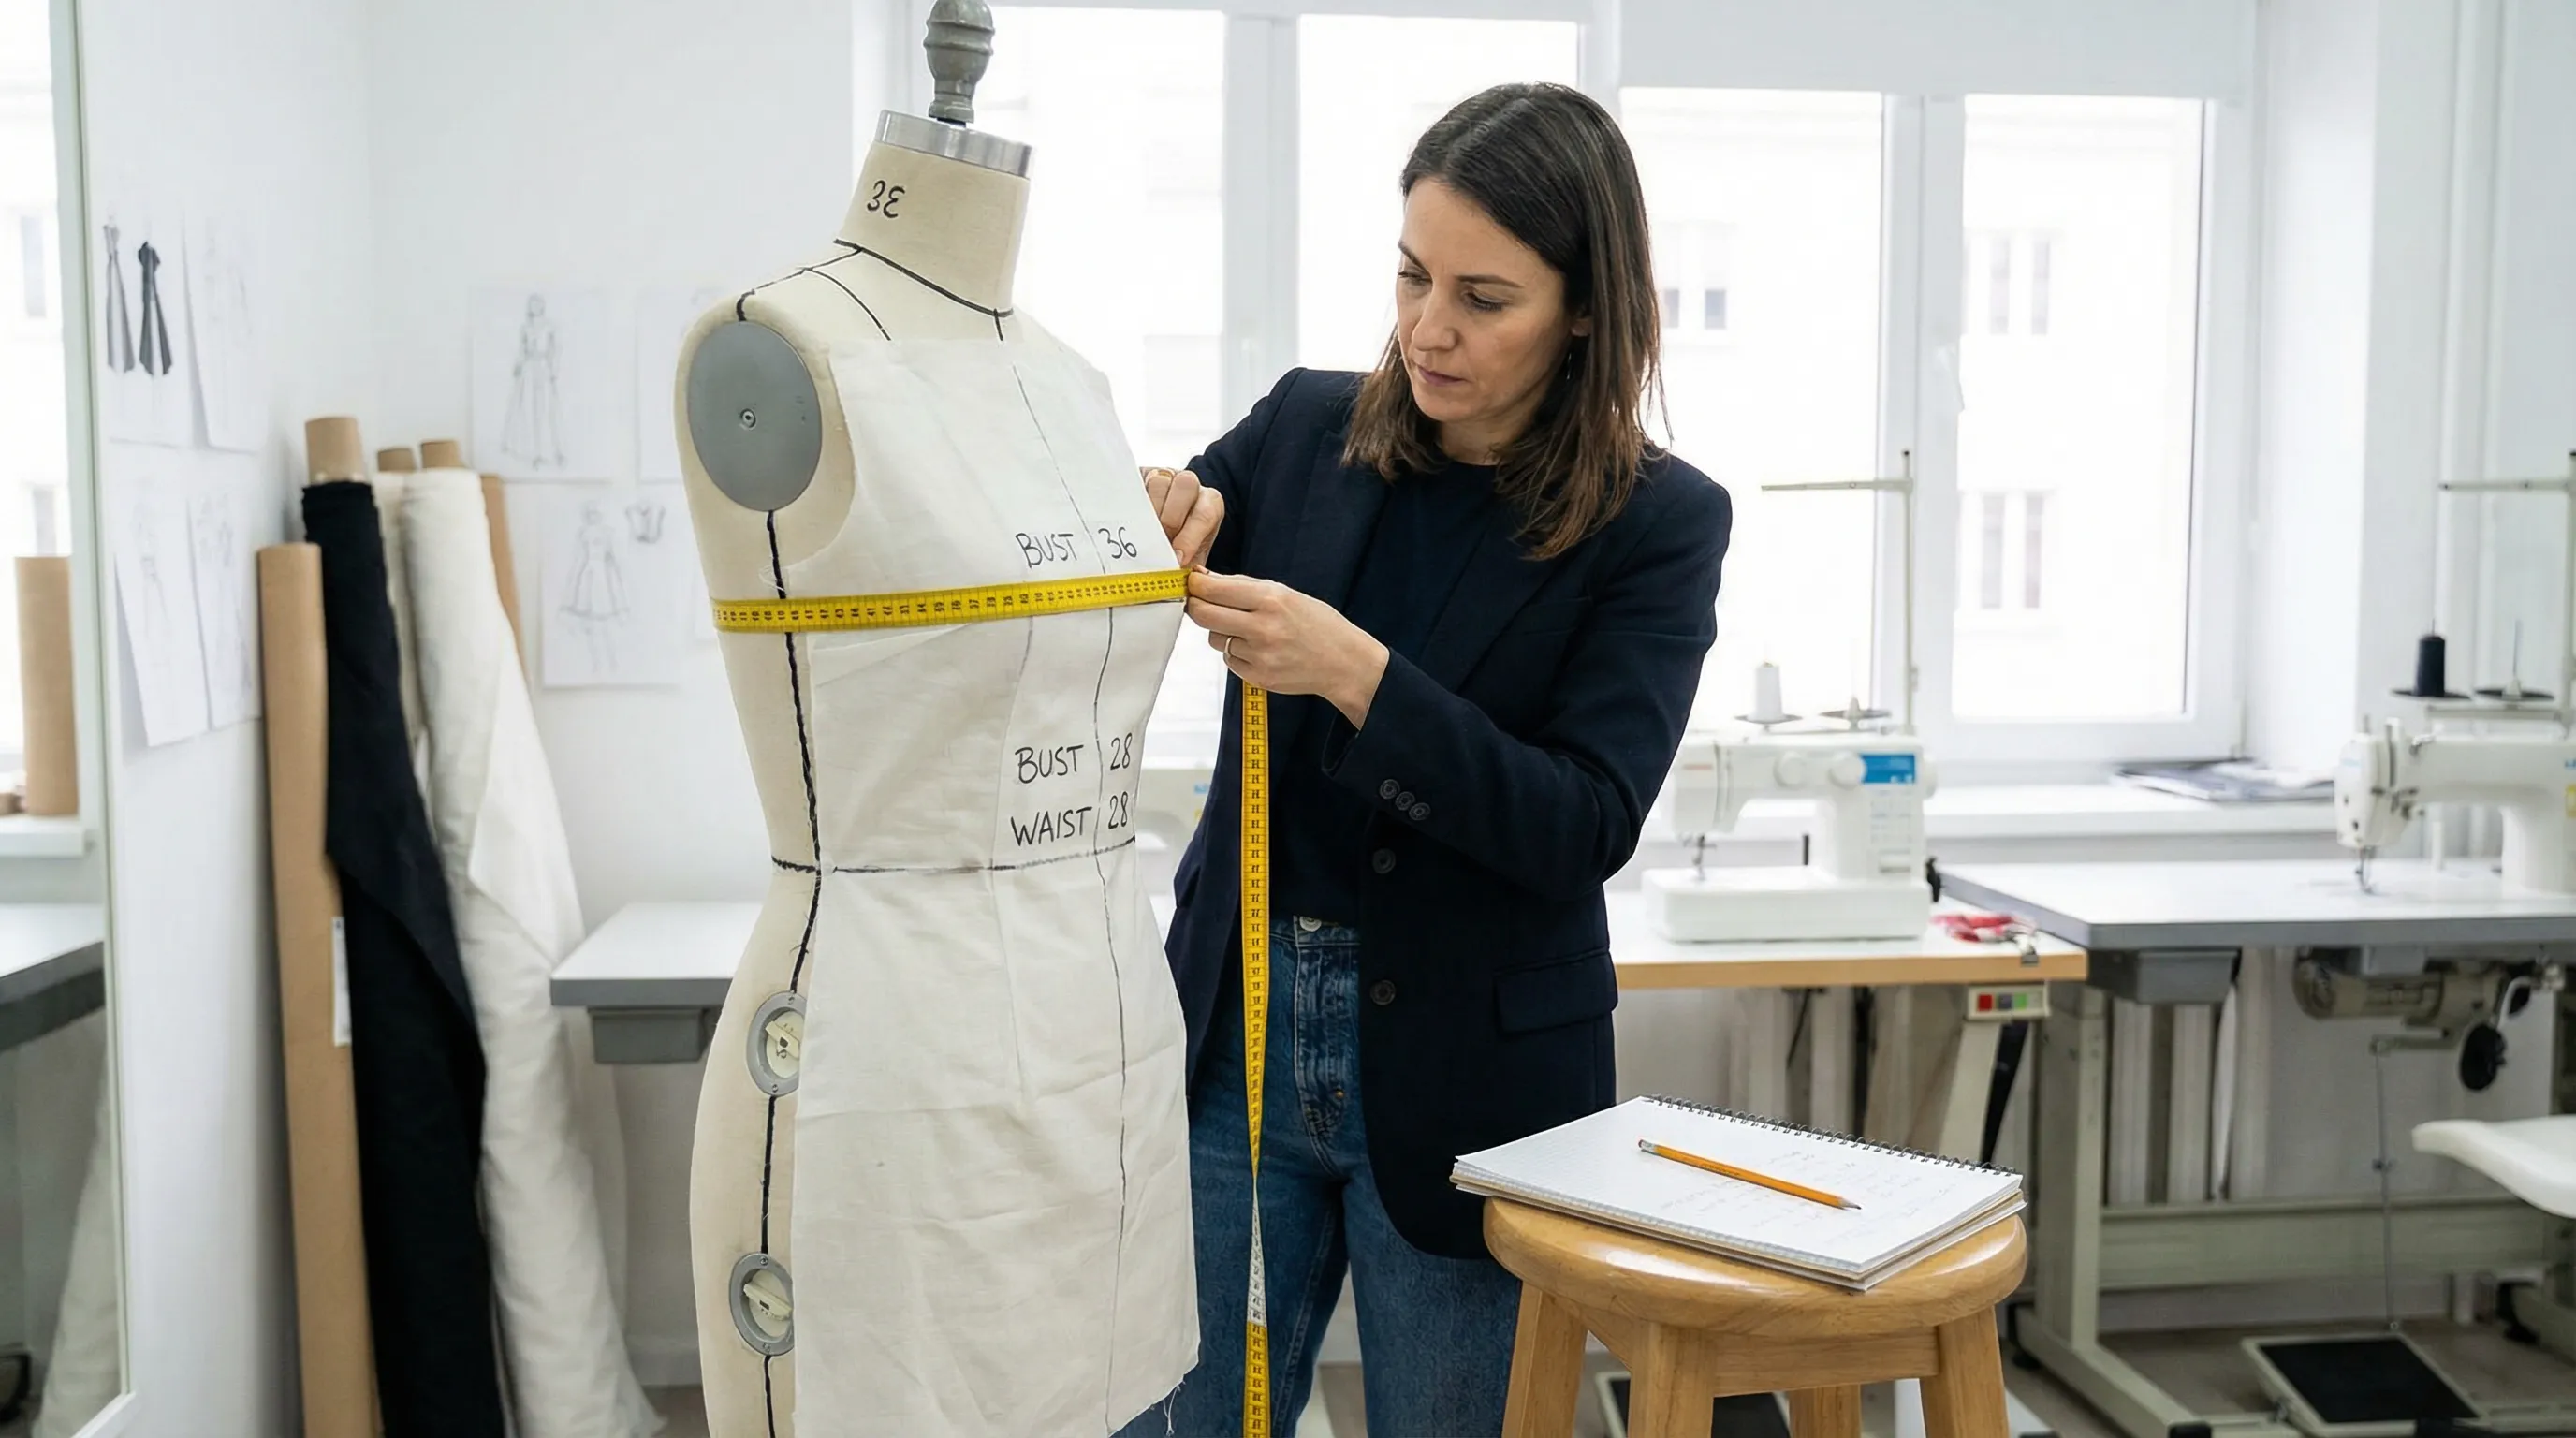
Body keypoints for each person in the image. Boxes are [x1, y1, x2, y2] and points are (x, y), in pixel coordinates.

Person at [1128, 82, 1734, 1434]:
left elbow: (1580, 822)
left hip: (1480, 1079)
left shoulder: (1659, 523)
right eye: (1410, 277)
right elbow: (1166, 513)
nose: (1427, 328)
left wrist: (1356, 674)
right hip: (1238, 1034)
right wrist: (1160, 498)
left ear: (1587, 309)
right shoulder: (1303, 431)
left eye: (1483, 297)